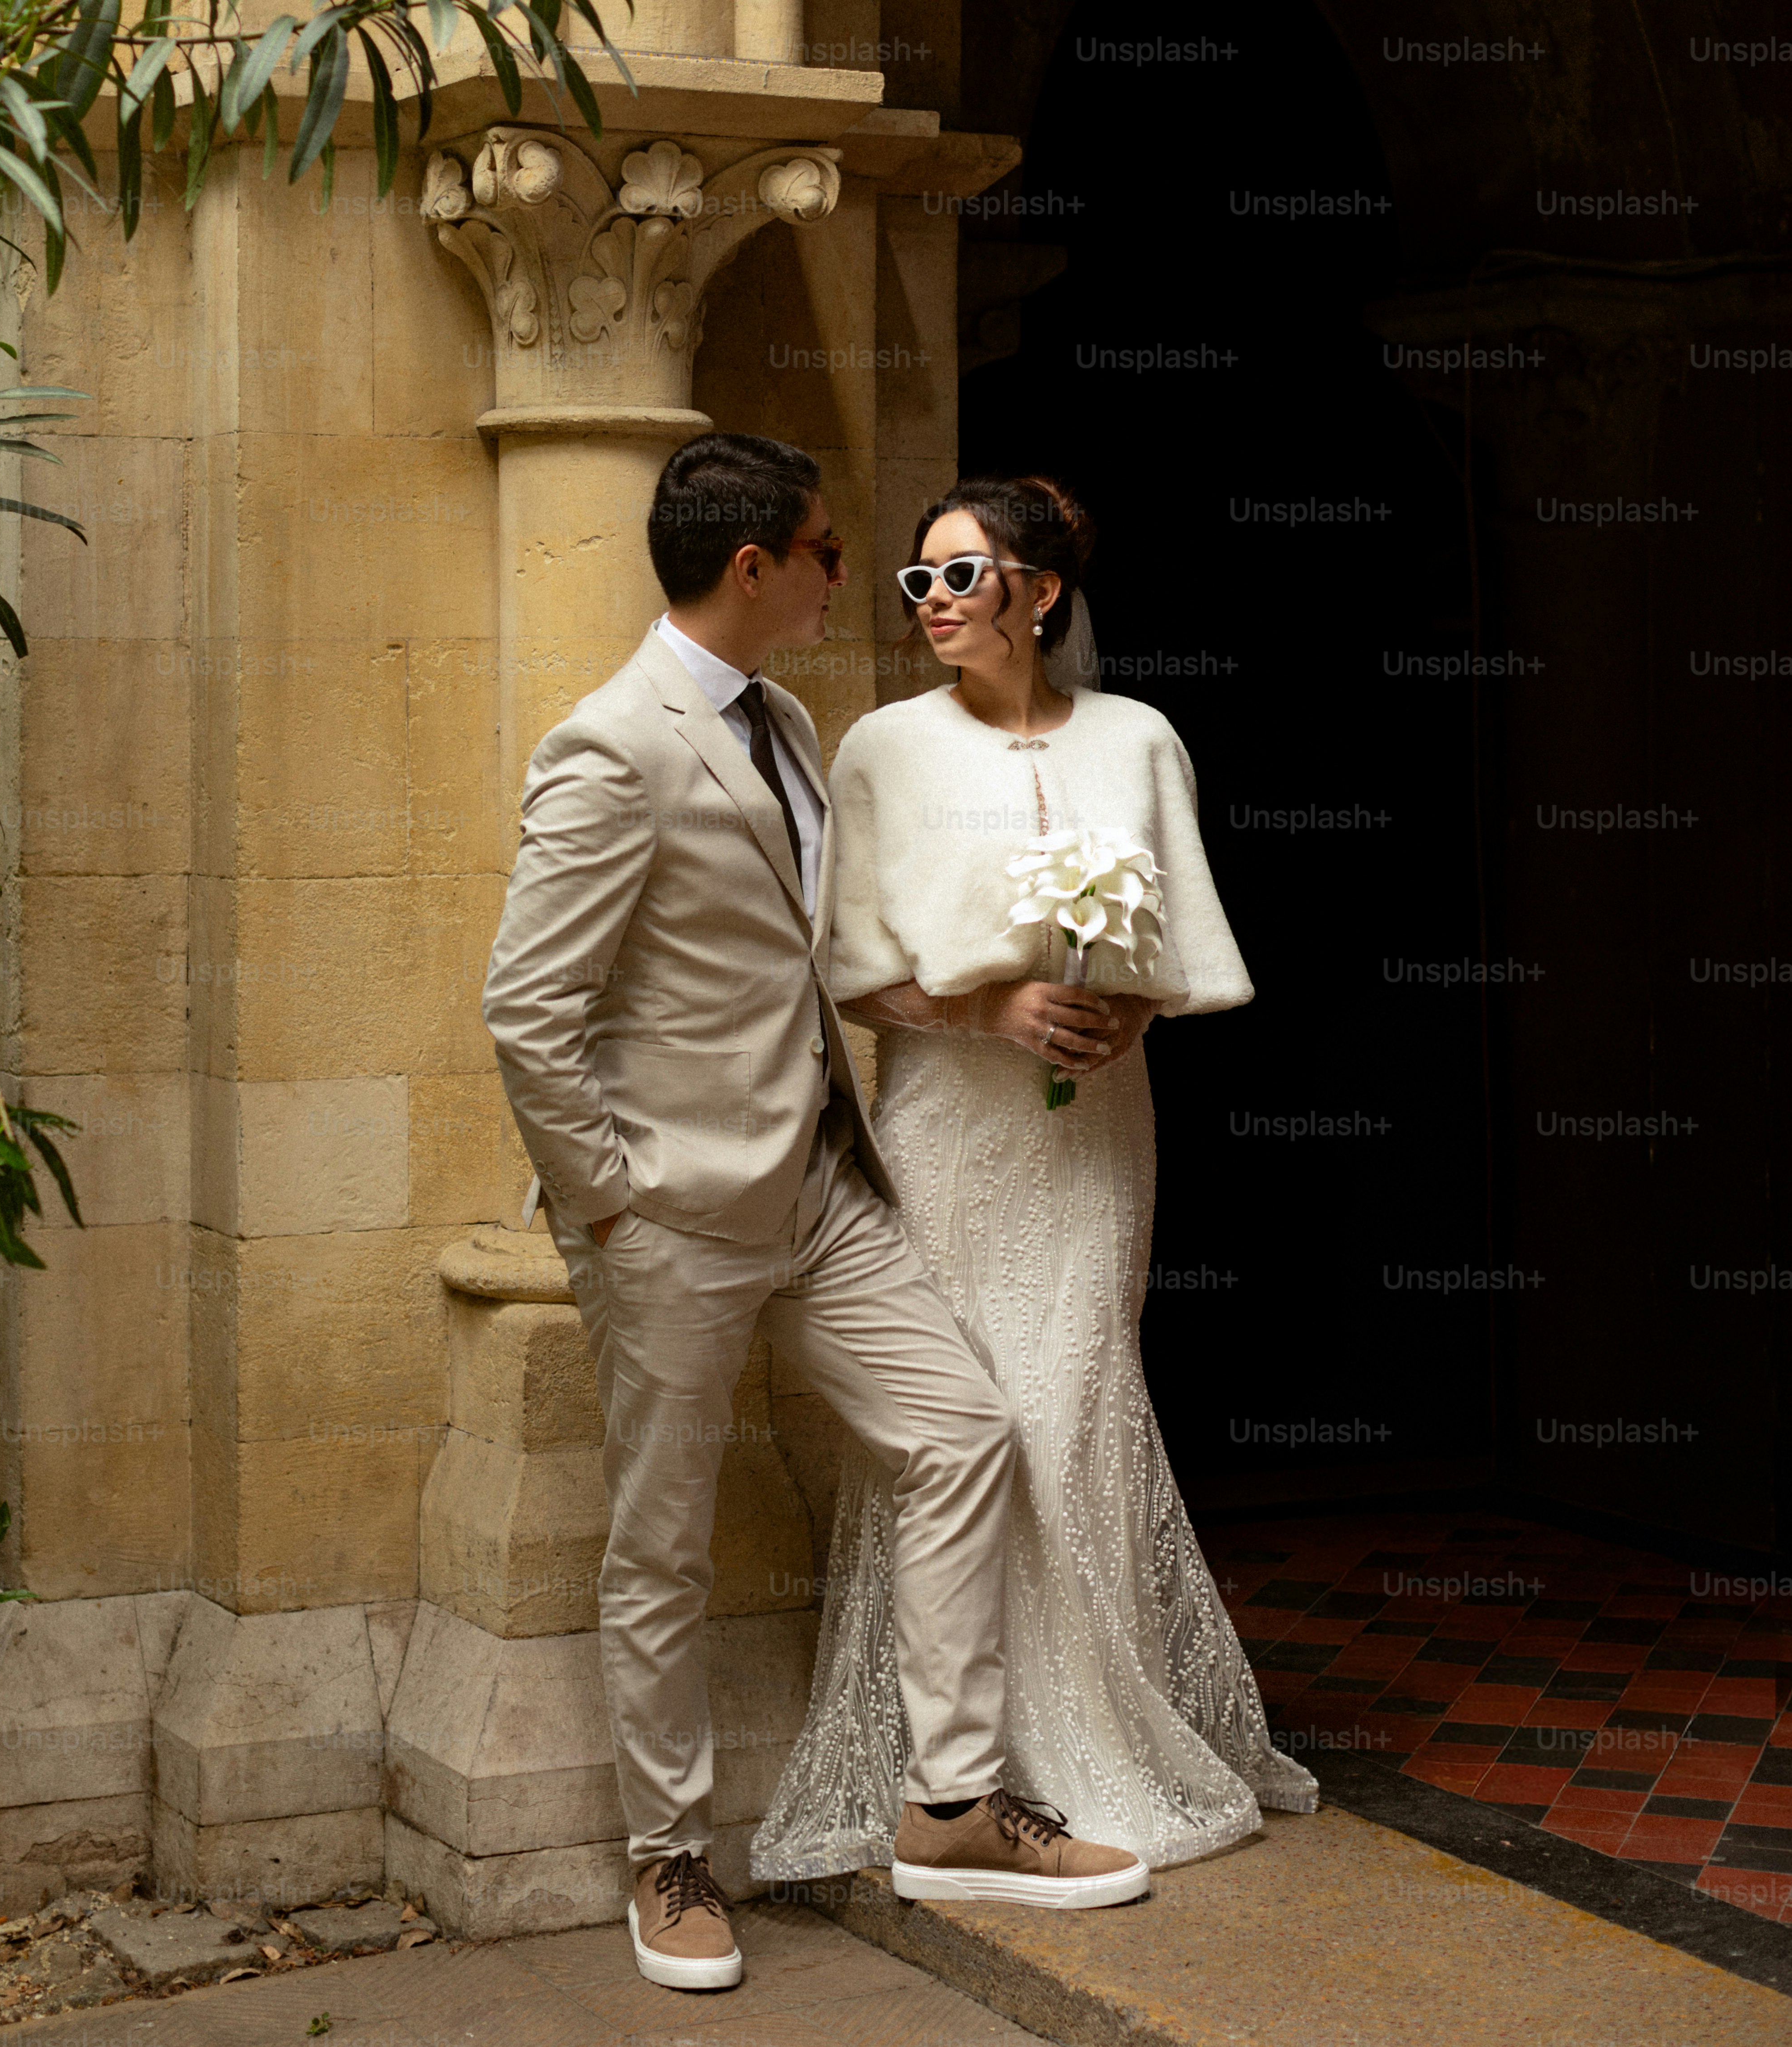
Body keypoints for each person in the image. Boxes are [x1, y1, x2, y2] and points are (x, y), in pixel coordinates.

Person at [482, 434, 1150, 1995]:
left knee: (961, 1434)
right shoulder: (612, 746)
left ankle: (951, 1803)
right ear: (754, 569)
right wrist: (617, 1204)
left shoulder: (783, 719)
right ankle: (666, 1854)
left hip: (827, 1188)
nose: (861, 577)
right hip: (677, 1218)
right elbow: (530, 1011)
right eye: (834, 551)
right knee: (662, 1545)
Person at [752, 475, 1318, 1888]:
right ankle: (965, 1769)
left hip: (1095, 1129)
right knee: (970, 1425)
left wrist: (1128, 1012)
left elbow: (1183, 941)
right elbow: (851, 971)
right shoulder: (881, 748)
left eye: (962, 577)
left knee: (1076, 1405)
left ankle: (1088, 1748)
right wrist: (992, 1009)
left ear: (1042, 592)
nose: (934, 603)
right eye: (915, 583)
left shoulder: (1140, 738)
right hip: (952, 1127)